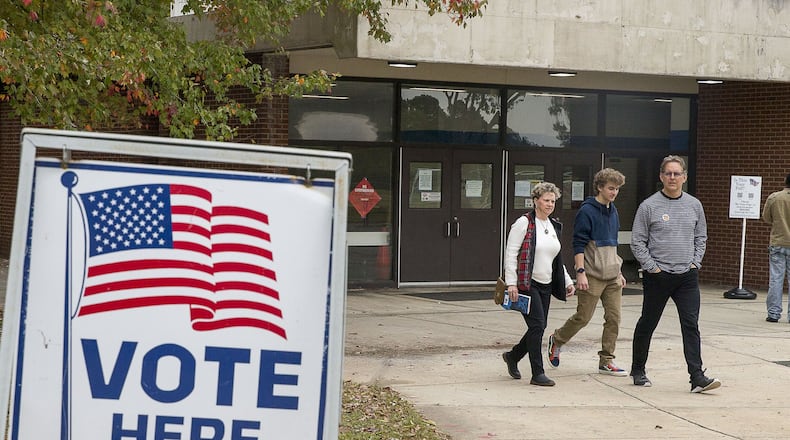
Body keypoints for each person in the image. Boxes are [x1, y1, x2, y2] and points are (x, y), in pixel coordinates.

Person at [629, 155, 721, 393]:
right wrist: (653, 268)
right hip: (658, 276)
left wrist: (695, 263)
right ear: (661, 177)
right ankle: (638, 370)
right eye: (668, 173)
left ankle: (697, 377)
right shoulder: (648, 206)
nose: (672, 177)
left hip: (687, 277)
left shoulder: (694, 205)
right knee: (648, 323)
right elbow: (637, 242)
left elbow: (701, 237)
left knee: (691, 325)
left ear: (684, 177)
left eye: (677, 173)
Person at [547, 168, 628, 376]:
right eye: (611, 188)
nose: (614, 192)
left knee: (614, 318)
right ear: (600, 187)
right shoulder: (587, 211)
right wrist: (580, 272)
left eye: (617, 189)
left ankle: (606, 360)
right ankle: (557, 340)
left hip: (612, 276)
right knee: (583, 317)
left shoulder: (614, 210)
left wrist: (618, 271)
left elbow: (613, 244)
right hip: (591, 274)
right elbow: (578, 244)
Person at [501, 182, 575, 387]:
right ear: (535, 201)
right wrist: (511, 284)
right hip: (527, 283)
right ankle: (537, 373)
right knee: (537, 326)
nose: (550, 204)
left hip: (547, 284)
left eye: (553, 201)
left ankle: (513, 356)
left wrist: (568, 281)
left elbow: (557, 258)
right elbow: (511, 253)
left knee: (539, 326)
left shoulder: (553, 225)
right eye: (546, 200)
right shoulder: (524, 223)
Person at [762, 173, 790, 323]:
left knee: (776, 279)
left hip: (778, 242)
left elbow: (766, 218)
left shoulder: (774, 197)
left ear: (785, 181)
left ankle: (773, 313)